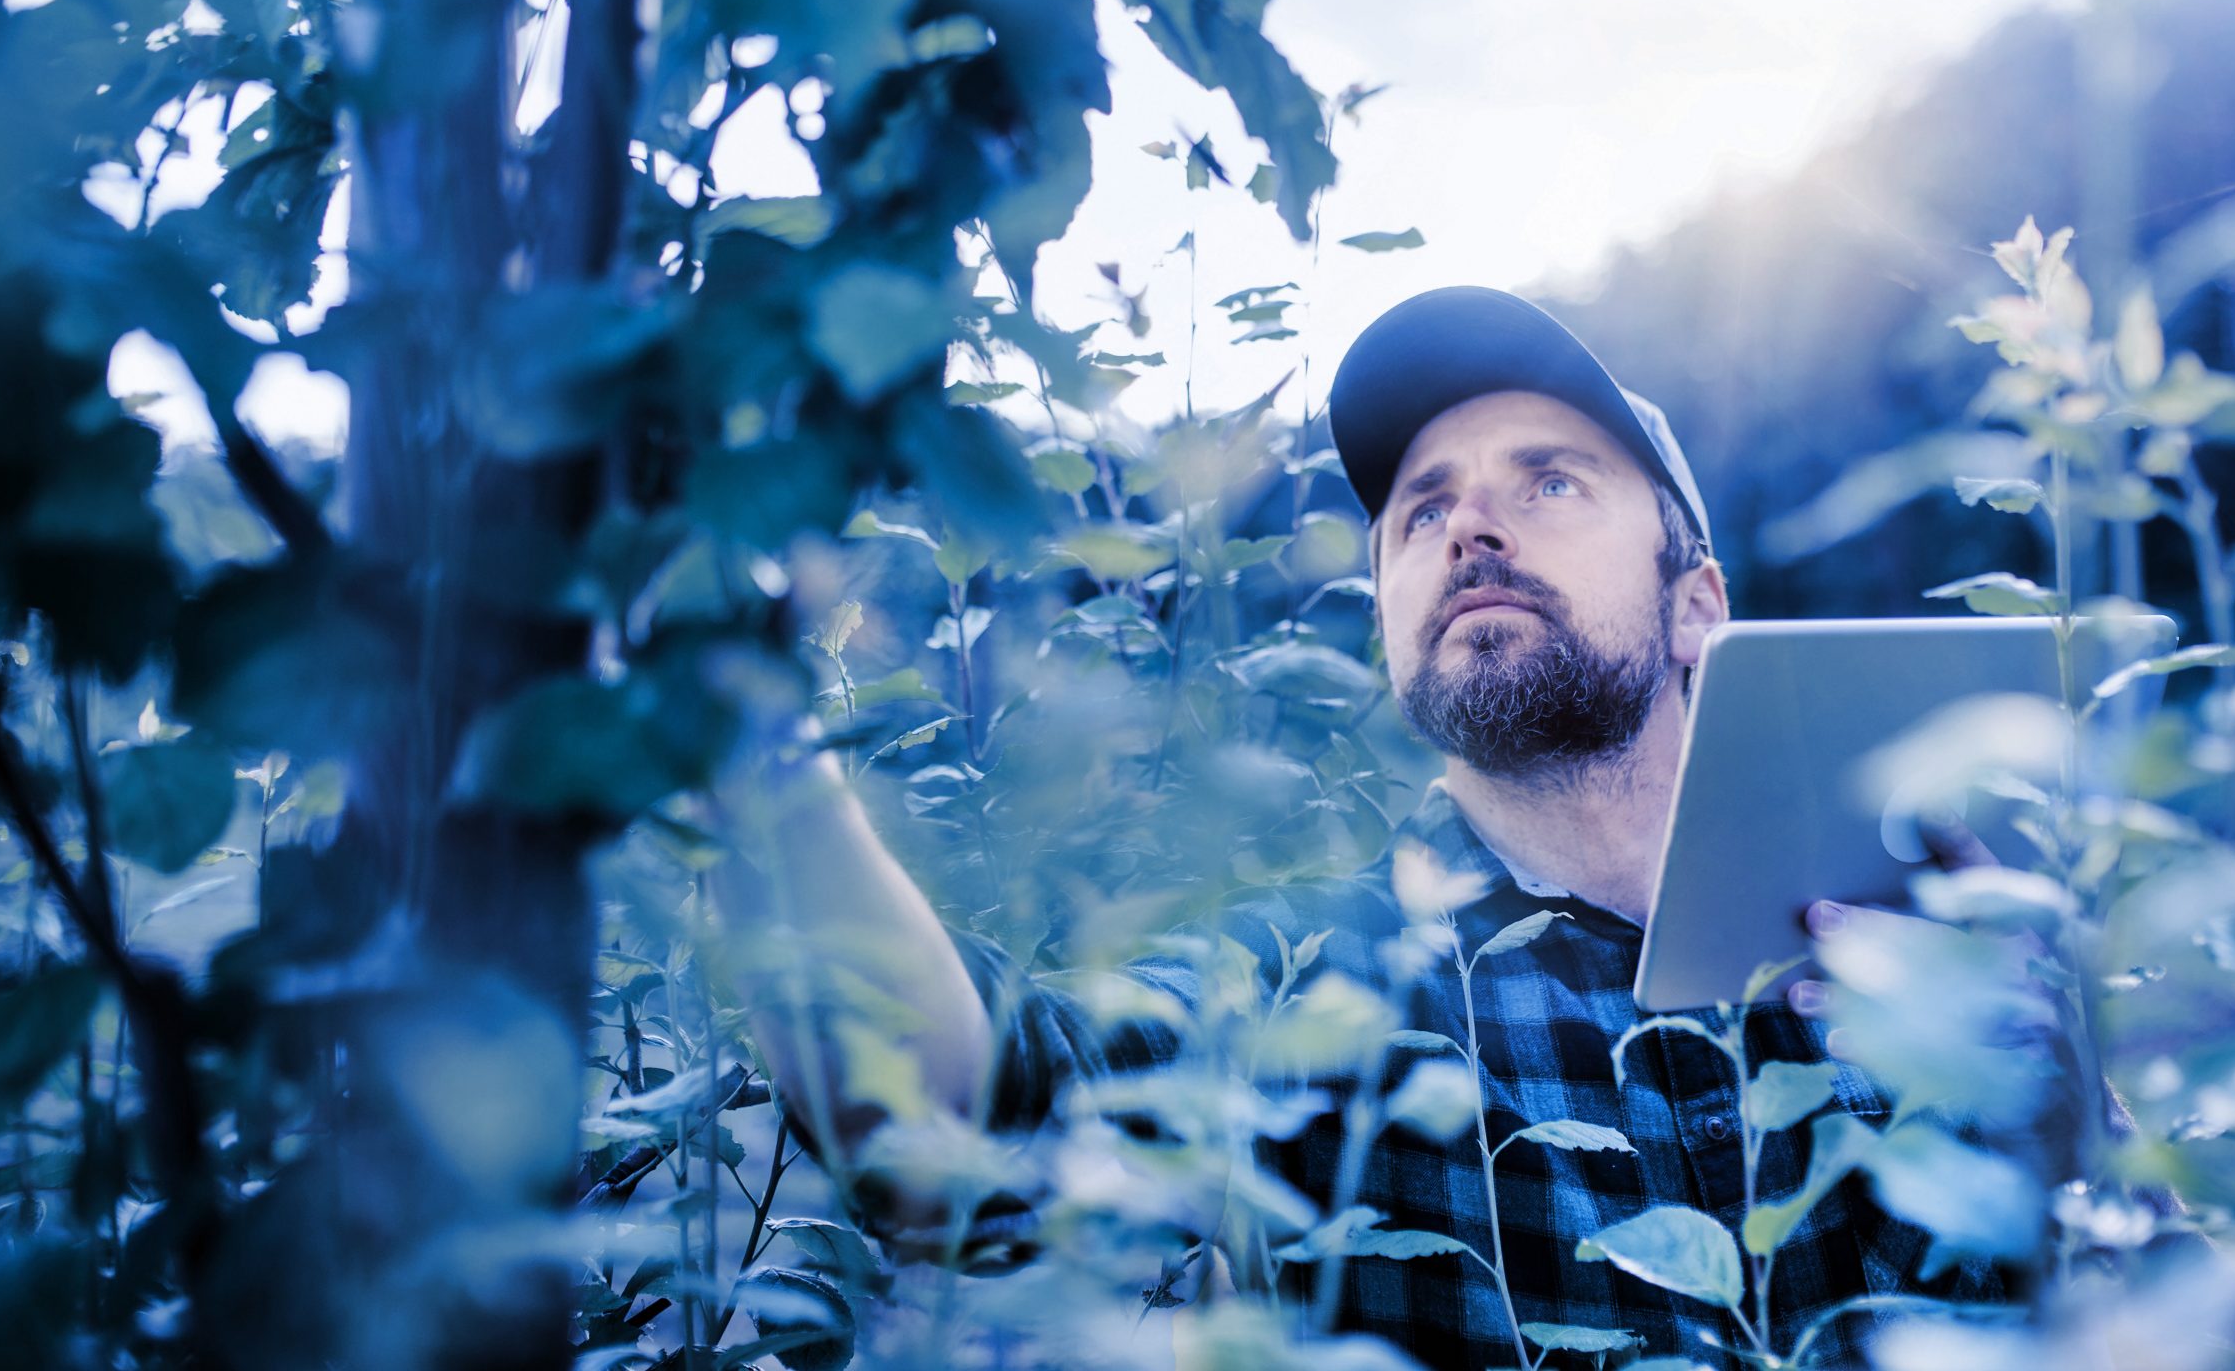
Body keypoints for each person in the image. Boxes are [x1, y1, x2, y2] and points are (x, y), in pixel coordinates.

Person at [716, 287, 2009, 1365]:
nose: (1471, 530)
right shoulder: (1317, 981)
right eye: (1422, 513)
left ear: (1697, 608)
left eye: (1550, 482)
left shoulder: (1911, 954)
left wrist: (2077, 1127)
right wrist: (739, 713)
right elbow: (945, 1125)